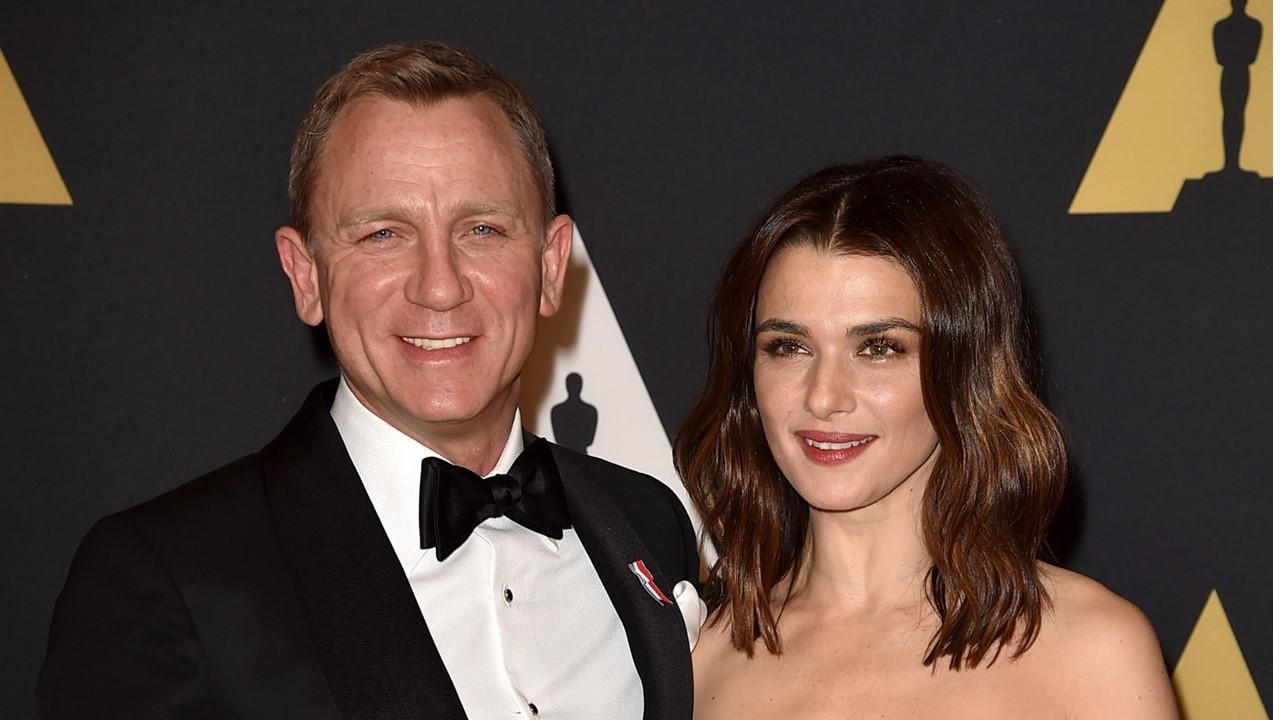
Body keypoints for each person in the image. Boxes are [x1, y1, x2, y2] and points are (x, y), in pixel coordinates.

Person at [39, 41, 701, 720]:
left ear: (552, 266)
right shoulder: (168, 581)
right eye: (384, 234)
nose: (439, 287)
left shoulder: (649, 522)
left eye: (481, 228)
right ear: (306, 277)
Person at [675, 157, 1179, 719]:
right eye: (788, 347)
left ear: (962, 370)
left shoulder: (1091, 650)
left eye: (879, 348)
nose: (823, 397)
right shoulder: (700, 660)